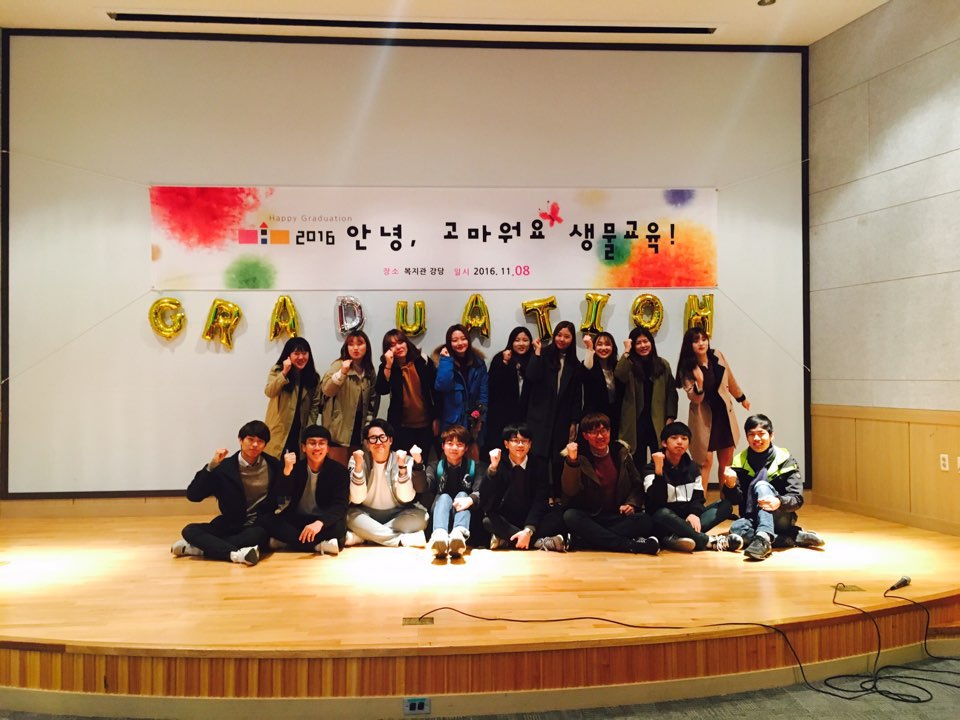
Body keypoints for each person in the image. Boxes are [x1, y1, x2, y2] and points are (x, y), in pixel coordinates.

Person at [171, 420, 286, 566]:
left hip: (256, 525)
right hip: (229, 522)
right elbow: (194, 495)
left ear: (265, 445)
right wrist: (212, 466)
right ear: (240, 440)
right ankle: (235, 554)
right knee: (189, 530)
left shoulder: (273, 465)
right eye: (250, 439)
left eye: (260, 441)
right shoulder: (224, 467)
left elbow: (284, 492)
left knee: (257, 536)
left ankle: (201, 549)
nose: (255, 445)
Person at [722, 414, 824, 561]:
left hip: (781, 516)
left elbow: (797, 498)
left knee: (762, 486)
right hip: (752, 518)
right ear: (747, 437)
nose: (756, 438)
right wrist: (730, 485)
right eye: (751, 434)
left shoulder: (785, 459)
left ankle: (763, 539)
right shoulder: (739, 461)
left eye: (761, 433)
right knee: (736, 529)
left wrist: (779, 501)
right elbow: (735, 500)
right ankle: (791, 538)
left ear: (771, 435)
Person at [561, 413, 660, 555]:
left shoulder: (621, 452)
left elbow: (637, 484)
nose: (600, 436)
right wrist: (572, 462)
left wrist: (631, 504)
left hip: (617, 515)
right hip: (591, 516)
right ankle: (630, 545)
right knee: (570, 516)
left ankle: (585, 541)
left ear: (610, 431)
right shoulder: (578, 456)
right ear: (585, 435)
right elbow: (570, 490)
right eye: (594, 432)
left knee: (645, 521)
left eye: (604, 431)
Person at [642, 421, 741, 553]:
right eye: (674, 438)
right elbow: (656, 500)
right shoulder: (651, 468)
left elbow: (698, 498)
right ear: (664, 443)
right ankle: (708, 542)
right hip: (664, 521)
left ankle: (677, 538)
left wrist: (694, 514)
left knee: (725, 506)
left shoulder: (692, 467)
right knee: (662, 513)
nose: (679, 442)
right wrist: (659, 471)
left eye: (684, 438)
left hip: (687, 519)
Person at [675, 327, 749, 499]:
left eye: (703, 339)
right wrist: (699, 382)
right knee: (704, 462)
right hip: (703, 418)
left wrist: (741, 398)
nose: (701, 343)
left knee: (726, 462)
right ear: (689, 345)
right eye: (696, 341)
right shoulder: (687, 368)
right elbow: (695, 399)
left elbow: (730, 378)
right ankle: (699, 504)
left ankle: (725, 503)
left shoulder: (717, 355)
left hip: (723, 415)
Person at [260, 424, 349, 555]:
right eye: (312, 443)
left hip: (322, 520)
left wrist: (320, 523)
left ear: (328, 448)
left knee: (339, 528)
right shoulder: (295, 467)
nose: (317, 447)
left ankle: (287, 542)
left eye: (321, 443)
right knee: (267, 520)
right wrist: (287, 472)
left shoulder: (339, 471)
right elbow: (280, 495)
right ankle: (317, 546)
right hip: (298, 518)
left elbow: (340, 505)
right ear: (303, 447)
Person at [480, 424, 566, 551]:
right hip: (507, 518)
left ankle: (507, 540)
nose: (520, 445)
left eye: (524, 441)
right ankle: (538, 542)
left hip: (531, 519)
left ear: (530, 444)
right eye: (515, 441)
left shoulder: (539, 465)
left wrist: (528, 529)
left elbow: (540, 501)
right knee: (488, 521)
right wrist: (492, 468)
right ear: (506, 444)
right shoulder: (499, 463)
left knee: (559, 517)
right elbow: (484, 494)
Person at [346, 419, 429, 547]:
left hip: (398, 514)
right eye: (373, 438)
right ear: (367, 444)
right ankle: (401, 540)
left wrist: (402, 468)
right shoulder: (358, 459)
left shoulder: (404, 459)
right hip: (365, 513)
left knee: (422, 518)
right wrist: (358, 467)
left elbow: (406, 498)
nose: (378, 442)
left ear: (390, 440)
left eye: (382, 437)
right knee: (348, 516)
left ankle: (365, 536)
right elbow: (357, 499)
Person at [525, 321, 583, 498]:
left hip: (562, 418)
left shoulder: (574, 364)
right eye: (559, 335)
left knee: (558, 458)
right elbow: (531, 376)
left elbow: (576, 396)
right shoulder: (543, 355)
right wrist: (536, 352)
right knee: (538, 457)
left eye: (566, 336)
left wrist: (574, 421)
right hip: (539, 416)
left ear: (572, 339)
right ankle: (538, 496)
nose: (562, 339)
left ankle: (557, 496)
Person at [615, 326, 678, 468]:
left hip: (657, 421)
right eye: (638, 343)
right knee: (637, 461)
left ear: (651, 342)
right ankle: (640, 483)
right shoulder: (629, 364)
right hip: (636, 422)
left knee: (660, 459)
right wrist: (626, 351)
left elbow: (671, 392)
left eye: (646, 341)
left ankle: (658, 482)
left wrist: (671, 417)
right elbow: (619, 375)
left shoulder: (662, 364)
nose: (643, 345)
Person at [375, 328, 438, 463]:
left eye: (400, 342)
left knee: (421, 464)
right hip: (401, 426)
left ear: (406, 342)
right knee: (402, 464)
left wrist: (436, 417)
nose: (398, 347)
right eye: (392, 345)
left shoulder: (422, 361)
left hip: (425, 425)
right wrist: (388, 365)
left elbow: (435, 391)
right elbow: (381, 389)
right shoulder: (387, 367)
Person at [320, 330, 379, 467]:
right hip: (338, 428)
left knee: (355, 469)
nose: (355, 348)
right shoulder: (338, 365)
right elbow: (327, 390)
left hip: (359, 427)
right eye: (351, 344)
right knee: (337, 469)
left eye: (360, 343)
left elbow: (373, 399)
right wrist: (342, 373)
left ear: (367, 347)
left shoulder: (369, 370)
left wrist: (369, 423)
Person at [426, 425, 483, 558]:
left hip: (465, 515)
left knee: (462, 495)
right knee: (444, 496)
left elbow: (480, 490)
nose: (454, 448)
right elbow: (425, 486)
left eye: (459, 444)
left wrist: (469, 500)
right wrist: (418, 465)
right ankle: (439, 537)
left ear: (466, 448)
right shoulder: (435, 466)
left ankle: (458, 536)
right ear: (443, 446)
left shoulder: (476, 467)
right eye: (450, 443)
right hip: (440, 512)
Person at [434, 324, 489, 457]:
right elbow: (442, 385)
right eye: (455, 340)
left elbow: (484, 394)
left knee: (472, 460)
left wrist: (481, 419)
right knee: (451, 459)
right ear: (449, 343)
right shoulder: (444, 362)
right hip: (451, 421)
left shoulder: (478, 363)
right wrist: (446, 361)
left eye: (463, 339)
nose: (460, 343)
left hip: (473, 421)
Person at [264, 337, 323, 459]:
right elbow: (269, 392)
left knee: (297, 464)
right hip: (280, 427)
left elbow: (315, 406)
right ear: (288, 355)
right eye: (296, 353)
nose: (301, 357)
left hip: (301, 429)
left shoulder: (313, 377)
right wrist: (284, 373)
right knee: (276, 462)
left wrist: (310, 429)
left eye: (304, 353)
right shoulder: (278, 370)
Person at [485, 326, 534, 455]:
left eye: (525, 340)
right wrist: (505, 363)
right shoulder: (501, 358)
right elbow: (493, 385)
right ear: (511, 342)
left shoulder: (534, 360)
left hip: (526, 416)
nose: (521, 344)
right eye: (517, 340)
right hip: (502, 416)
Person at [581, 332, 623, 442]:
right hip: (593, 417)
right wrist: (589, 347)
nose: (603, 348)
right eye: (599, 344)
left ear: (613, 347)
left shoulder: (617, 366)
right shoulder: (589, 364)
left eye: (607, 344)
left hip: (614, 416)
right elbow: (586, 368)